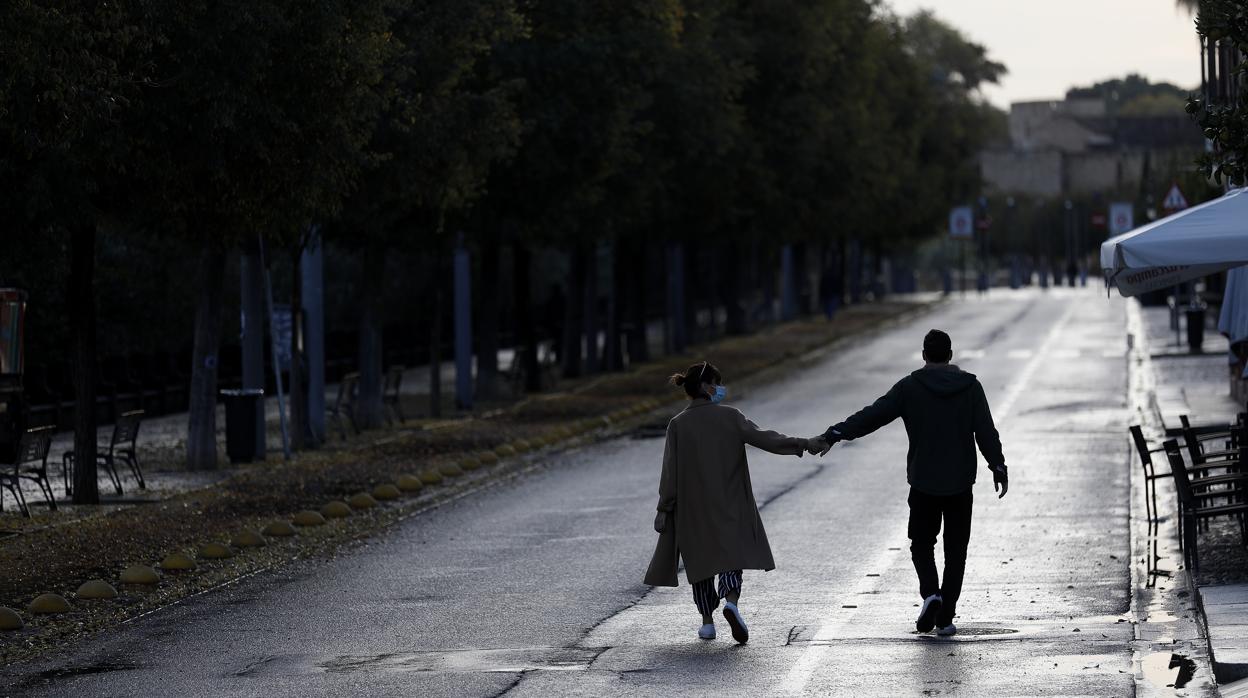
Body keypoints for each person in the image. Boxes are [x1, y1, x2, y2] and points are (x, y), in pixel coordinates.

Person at [809, 329, 1007, 637]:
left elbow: (873, 416)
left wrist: (835, 433)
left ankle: (931, 594)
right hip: (959, 484)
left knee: (921, 544)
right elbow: (985, 431)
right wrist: (997, 465)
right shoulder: (971, 387)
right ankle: (946, 617)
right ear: (951, 355)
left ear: (924, 355)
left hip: (924, 482)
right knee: (956, 552)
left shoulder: (910, 387)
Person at [645, 361, 818, 644]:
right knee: (730, 559)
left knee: (701, 565)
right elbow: (766, 438)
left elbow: (670, 472)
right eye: (716, 382)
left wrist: (664, 509)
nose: (720, 388)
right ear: (705, 387)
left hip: (693, 509)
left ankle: (707, 622)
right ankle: (732, 603)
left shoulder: (677, 425)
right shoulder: (731, 417)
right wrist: (803, 443)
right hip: (731, 502)